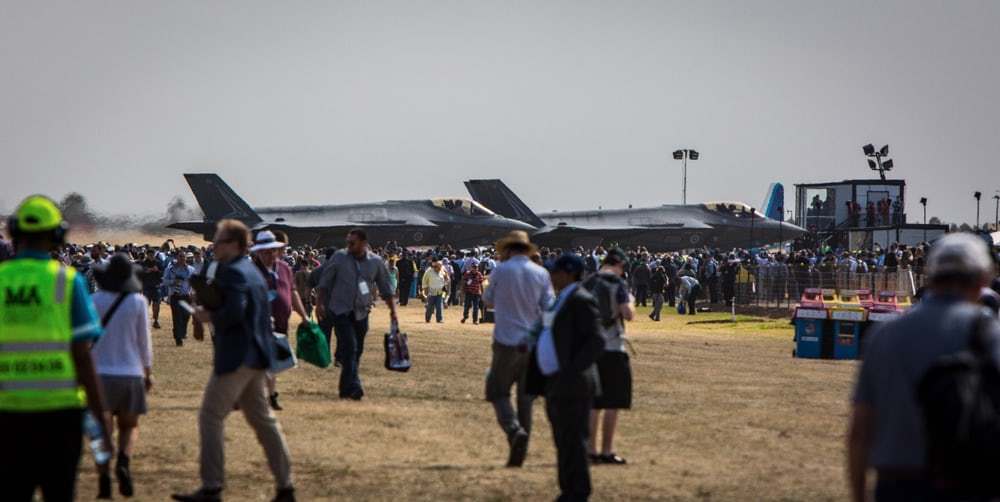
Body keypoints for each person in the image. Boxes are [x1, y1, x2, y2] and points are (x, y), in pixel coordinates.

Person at [847, 233, 1000, 502]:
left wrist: (859, 495)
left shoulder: (884, 335)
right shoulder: (991, 334)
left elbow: (860, 430)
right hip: (970, 482)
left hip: (897, 484)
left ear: (929, 275)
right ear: (983, 279)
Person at [172, 220, 295, 502]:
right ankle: (285, 486)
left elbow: (236, 312)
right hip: (257, 356)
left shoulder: (232, 272)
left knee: (210, 417)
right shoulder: (251, 271)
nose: (214, 245)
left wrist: (208, 316)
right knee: (264, 421)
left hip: (238, 356)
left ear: (237, 245)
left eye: (220, 241)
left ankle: (212, 487)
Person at [0, 195, 111, 501]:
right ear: (58, 236)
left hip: (7, 410)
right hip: (60, 412)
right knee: (59, 492)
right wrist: (100, 420)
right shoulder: (67, 281)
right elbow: (83, 356)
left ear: (12, 232)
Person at [525, 254, 605, 502]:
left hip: (573, 383)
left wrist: (571, 369)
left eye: (556, 271)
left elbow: (596, 340)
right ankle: (567, 489)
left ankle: (578, 492)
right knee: (563, 439)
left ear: (568, 273)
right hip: (556, 383)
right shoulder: (562, 299)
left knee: (573, 439)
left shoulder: (581, 300)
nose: (551, 275)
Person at [482, 231, 553, 467]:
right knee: (526, 399)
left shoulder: (501, 270)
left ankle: (513, 430)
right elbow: (549, 308)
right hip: (532, 343)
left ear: (509, 249)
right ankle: (520, 453)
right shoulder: (541, 273)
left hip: (506, 341)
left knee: (497, 391)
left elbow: (488, 300)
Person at [92, 253, 154, 498]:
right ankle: (124, 462)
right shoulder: (138, 301)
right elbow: (144, 343)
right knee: (130, 425)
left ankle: (104, 478)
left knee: (101, 432)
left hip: (99, 374)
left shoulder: (93, 299)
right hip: (131, 373)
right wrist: (148, 373)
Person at [315, 229, 397, 400]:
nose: (349, 246)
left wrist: (393, 311)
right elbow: (325, 282)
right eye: (348, 242)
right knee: (350, 347)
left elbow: (385, 288)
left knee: (357, 350)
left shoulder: (375, 262)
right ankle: (354, 386)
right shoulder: (339, 257)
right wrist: (319, 304)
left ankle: (346, 387)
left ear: (363, 243)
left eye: (352, 243)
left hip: (362, 311)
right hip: (340, 310)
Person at [583, 248, 635, 466]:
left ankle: (589, 450)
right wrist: (630, 301)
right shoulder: (618, 284)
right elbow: (627, 314)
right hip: (613, 347)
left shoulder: (588, 282)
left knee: (593, 403)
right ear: (620, 265)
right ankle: (606, 450)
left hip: (591, 347)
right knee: (612, 402)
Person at [251, 231, 309, 411]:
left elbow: (292, 292)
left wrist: (304, 315)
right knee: (261, 361)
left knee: (274, 361)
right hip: (258, 323)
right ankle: (264, 396)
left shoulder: (284, 268)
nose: (269, 255)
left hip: (281, 322)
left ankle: (270, 394)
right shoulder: (250, 271)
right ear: (258, 253)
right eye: (264, 252)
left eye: (271, 251)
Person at [163, 252, 196, 346]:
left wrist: (193, 292)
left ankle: (181, 332)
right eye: (180, 256)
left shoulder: (191, 269)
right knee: (177, 316)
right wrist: (173, 282)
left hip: (187, 296)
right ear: (176, 258)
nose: (182, 258)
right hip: (175, 296)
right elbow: (164, 281)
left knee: (186, 315)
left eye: (183, 257)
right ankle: (178, 338)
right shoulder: (170, 269)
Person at [139, 248, 164, 329]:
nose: (151, 256)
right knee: (146, 305)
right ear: (147, 254)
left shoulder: (158, 263)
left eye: (152, 254)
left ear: (154, 254)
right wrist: (146, 271)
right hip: (146, 287)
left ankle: (156, 321)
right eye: (149, 254)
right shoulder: (143, 263)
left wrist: (157, 271)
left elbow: (163, 274)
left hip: (156, 287)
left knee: (156, 305)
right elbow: (139, 274)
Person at [422, 258, 448, 323]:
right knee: (430, 307)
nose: (440, 269)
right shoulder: (429, 272)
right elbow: (424, 281)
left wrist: (446, 277)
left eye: (441, 267)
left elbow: (446, 280)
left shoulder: (442, 271)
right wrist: (425, 290)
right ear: (435, 267)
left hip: (440, 292)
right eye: (438, 267)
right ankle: (427, 318)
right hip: (431, 293)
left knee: (439, 306)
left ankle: (439, 319)